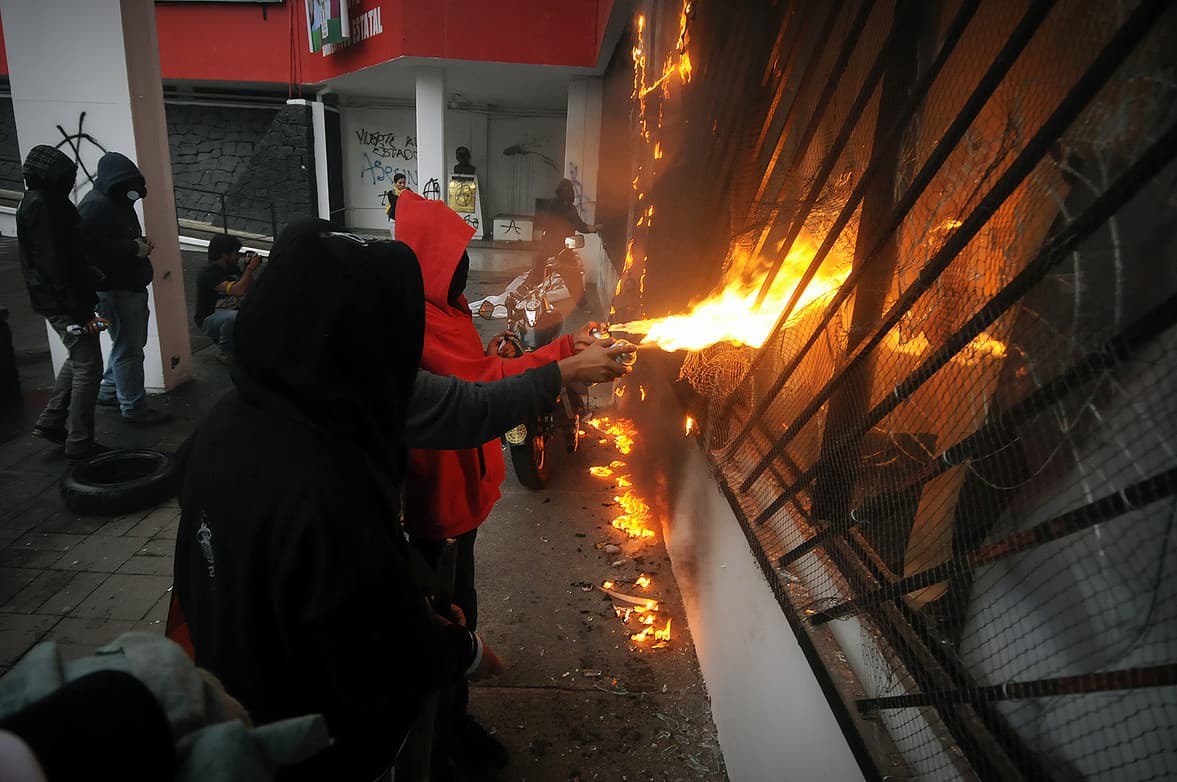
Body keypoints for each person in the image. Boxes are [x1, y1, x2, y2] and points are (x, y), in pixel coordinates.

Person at [173, 219, 629, 781]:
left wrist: (420, 597)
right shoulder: (325, 484)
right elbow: (381, 637)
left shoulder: (246, 416)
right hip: (317, 734)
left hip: (251, 687)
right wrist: (463, 650)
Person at [395, 190, 604, 773]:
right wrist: (565, 359)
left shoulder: (450, 308)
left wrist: (552, 348)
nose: (463, 266)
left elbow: (484, 367)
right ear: (430, 261)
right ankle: (443, 736)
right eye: (454, 257)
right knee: (446, 618)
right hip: (435, 509)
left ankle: (450, 716)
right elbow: (480, 387)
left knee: (460, 604)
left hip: (462, 497)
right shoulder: (419, 322)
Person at [16, 145, 110, 463]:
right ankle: (80, 442)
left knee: (79, 359)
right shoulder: (43, 205)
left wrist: (86, 270)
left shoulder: (42, 201)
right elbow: (53, 264)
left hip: (62, 298)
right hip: (64, 302)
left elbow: (62, 255)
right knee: (89, 367)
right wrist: (80, 312)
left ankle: (52, 421)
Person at [79, 151, 169, 425]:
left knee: (126, 345)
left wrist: (136, 243)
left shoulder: (112, 201)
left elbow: (106, 241)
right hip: (117, 289)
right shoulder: (97, 206)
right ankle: (133, 407)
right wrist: (133, 248)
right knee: (129, 349)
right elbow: (88, 248)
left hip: (124, 286)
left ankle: (109, 391)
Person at [194, 234, 261, 364]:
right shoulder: (208, 274)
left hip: (231, 311)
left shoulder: (233, 269)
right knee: (233, 318)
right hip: (209, 318)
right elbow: (238, 290)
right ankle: (224, 352)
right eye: (235, 253)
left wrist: (247, 270)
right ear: (225, 254)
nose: (238, 257)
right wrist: (250, 268)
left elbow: (250, 290)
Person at [528, 178, 601, 288]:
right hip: (563, 247)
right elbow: (580, 225)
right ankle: (578, 296)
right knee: (572, 275)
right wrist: (594, 228)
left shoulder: (553, 204)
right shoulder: (569, 208)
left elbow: (546, 222)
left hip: (549, 244)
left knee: (539, 266)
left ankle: (531, 286)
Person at [385, 172, 410, 236]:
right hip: (394, 220)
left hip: (405, 220)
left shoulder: (408, 191)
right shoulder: (391, 193)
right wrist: (402, 194)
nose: (402, 185)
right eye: (400, 183)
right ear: (395, 183)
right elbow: (395, 204)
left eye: (404, 183)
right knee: (395, 238)